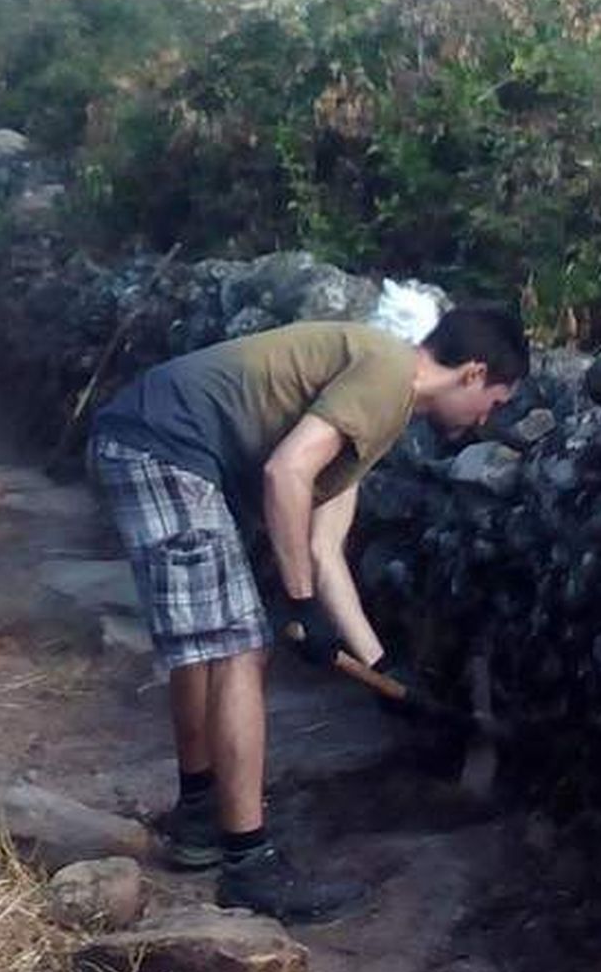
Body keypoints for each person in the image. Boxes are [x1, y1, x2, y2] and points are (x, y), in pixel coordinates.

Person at [88, 307, 529, 922]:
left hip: (151, 439)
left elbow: (324, 550)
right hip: (164, 446)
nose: (486, 419)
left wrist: (383, 669)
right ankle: (248, 864)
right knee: (239, 647)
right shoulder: (387, 375)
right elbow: (286, 472)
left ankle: (199, 816)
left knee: (212, 644)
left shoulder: (380, 402)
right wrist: (297, 605)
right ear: (473, 373)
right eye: (494, 402)